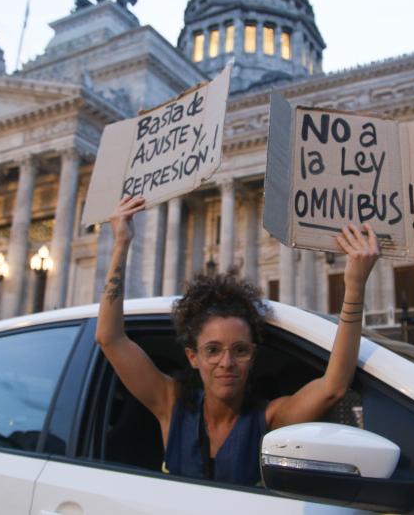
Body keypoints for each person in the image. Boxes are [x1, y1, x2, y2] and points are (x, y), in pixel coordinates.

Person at [96, 195, 379, 486]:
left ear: (253, 355)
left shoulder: (269, 418)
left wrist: (354, 287)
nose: (226, 363)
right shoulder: (171, 404)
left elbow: (333, 387)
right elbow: (109, 339)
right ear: (193, 357)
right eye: (213, 350)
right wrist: (121, 242)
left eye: (240, 350)